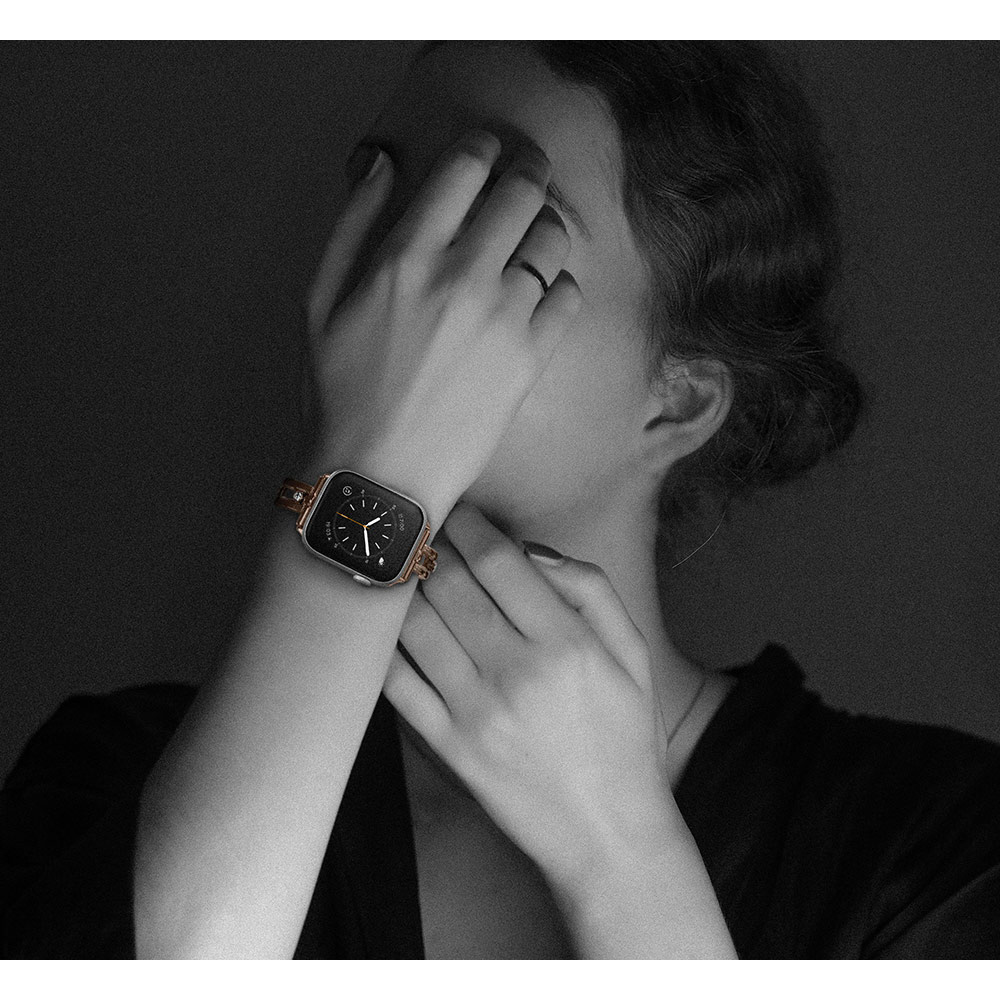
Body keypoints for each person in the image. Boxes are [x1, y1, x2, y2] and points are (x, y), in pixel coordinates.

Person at [2, 40, 999, 960]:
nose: (394, 283)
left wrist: (619, 850)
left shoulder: (933, 846)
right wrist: (373, 471)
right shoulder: (116, 776)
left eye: (497, 231)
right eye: (378, 190)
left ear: (678, 401)